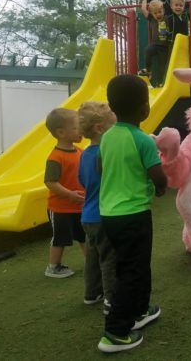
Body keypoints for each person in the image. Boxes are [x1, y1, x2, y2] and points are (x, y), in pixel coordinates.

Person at [97, 74, 168, 353]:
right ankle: (115, 333)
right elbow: (158, 175)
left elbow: (103, 170)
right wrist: (160, 187)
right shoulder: (143, 140)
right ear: (144, 109)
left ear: (112, 107)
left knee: (133, 266)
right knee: (132, 272)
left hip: (109, 215)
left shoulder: (106, 137)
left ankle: (139, 312)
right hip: (134, 215)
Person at [77, 101, 117, 312]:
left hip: (87, 216)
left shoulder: (84, 154)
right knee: (109, 258)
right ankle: (111, 299)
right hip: (104, 216)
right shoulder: (107, 152)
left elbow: (82, 180)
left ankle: (91, 293)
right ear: (100, 128)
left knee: (92, 257)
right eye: (113, 124)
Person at [43, 108, 86, 278]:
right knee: (60, 238)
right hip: (60, 208)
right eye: (76, 127)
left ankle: (92, 262)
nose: (81, 130)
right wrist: (69, 194)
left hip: (79, 206)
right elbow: (50, 182)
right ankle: (53, 267)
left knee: (85, 236)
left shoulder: (80, 151)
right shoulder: (56, 157)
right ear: (61, 132)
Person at [140, 0, 169, 87]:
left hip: (164, 46)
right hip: (155, 44)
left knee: (162, 65)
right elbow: (144, 9)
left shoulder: (167, 18)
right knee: (148, 50)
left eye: (160, 11)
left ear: (163, 10)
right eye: (155, 13)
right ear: (152, 14)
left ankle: (160, 83)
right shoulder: (152, 19)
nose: (158, 14)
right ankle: (148, 70)